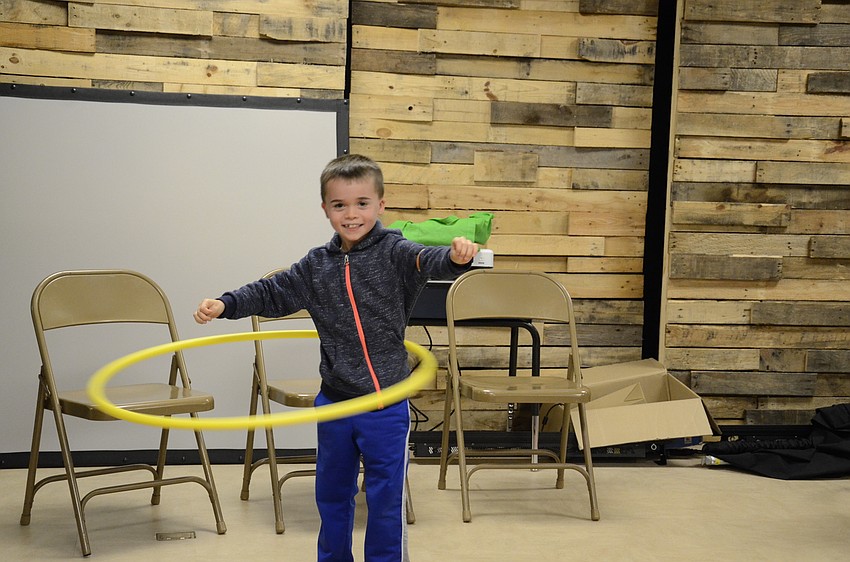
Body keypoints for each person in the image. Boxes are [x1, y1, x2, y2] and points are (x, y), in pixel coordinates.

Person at [194, 153, 478, 562]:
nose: (351, 214)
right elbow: (271, 293)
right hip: (335, 401)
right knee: (331, 496)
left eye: (362, 203)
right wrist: (225, 304)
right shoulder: (316, 265)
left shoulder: (394, 253)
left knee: (384, 501)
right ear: (325, 209)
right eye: (340, 205)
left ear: (380, 205)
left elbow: (427, 259)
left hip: (384, 402)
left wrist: (455, 258)